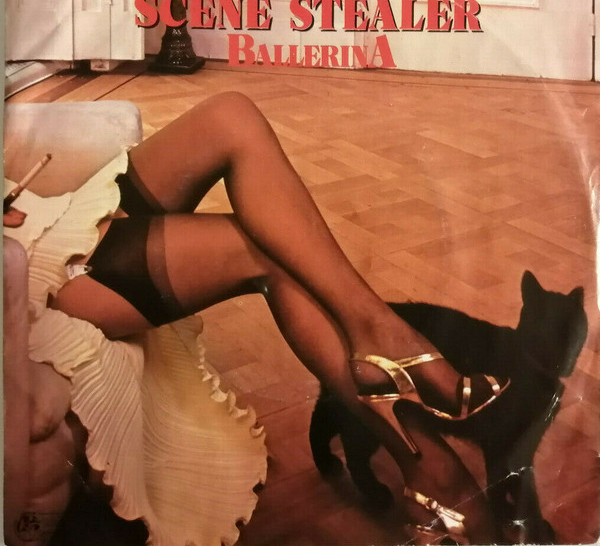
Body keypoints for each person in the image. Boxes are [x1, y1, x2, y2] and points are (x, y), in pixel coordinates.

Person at [6, 92, 506, 544]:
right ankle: (430, 452)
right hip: (30, 277)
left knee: (232, 115)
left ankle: (385, 343)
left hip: (37, 216)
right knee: (273, 253)